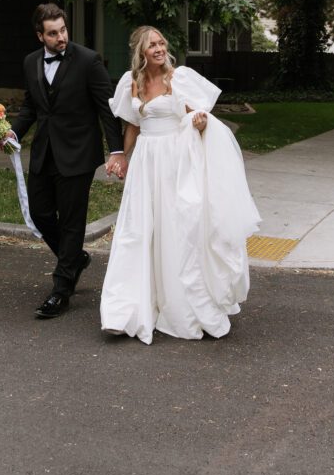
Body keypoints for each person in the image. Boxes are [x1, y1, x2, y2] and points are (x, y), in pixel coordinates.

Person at [100, 25, 261, 344]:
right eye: (152, 45)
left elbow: (196, 118)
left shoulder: (179, 78)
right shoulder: (131, 82)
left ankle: (182, 304)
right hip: (146, 161)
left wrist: (200, 124)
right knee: (140, 230)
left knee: (176, 230)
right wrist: (122, 156)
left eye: (161, 43)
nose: (159, 48)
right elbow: (133, 123)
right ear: (140, 52)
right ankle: (128, 307)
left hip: (174, 161)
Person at [9, 3, 126, 319]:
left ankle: (61, 290)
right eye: (52, 33)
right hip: (44, 152)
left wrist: (117, 151)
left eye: (62, 30)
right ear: (40, 36)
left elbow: (107, 109)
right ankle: (74, 258)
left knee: (72, 222)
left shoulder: (89, 61)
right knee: (39, 213)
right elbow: (30, 108)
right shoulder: (31, 62)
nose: (60, 37)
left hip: (78, 154)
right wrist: (12, 134)